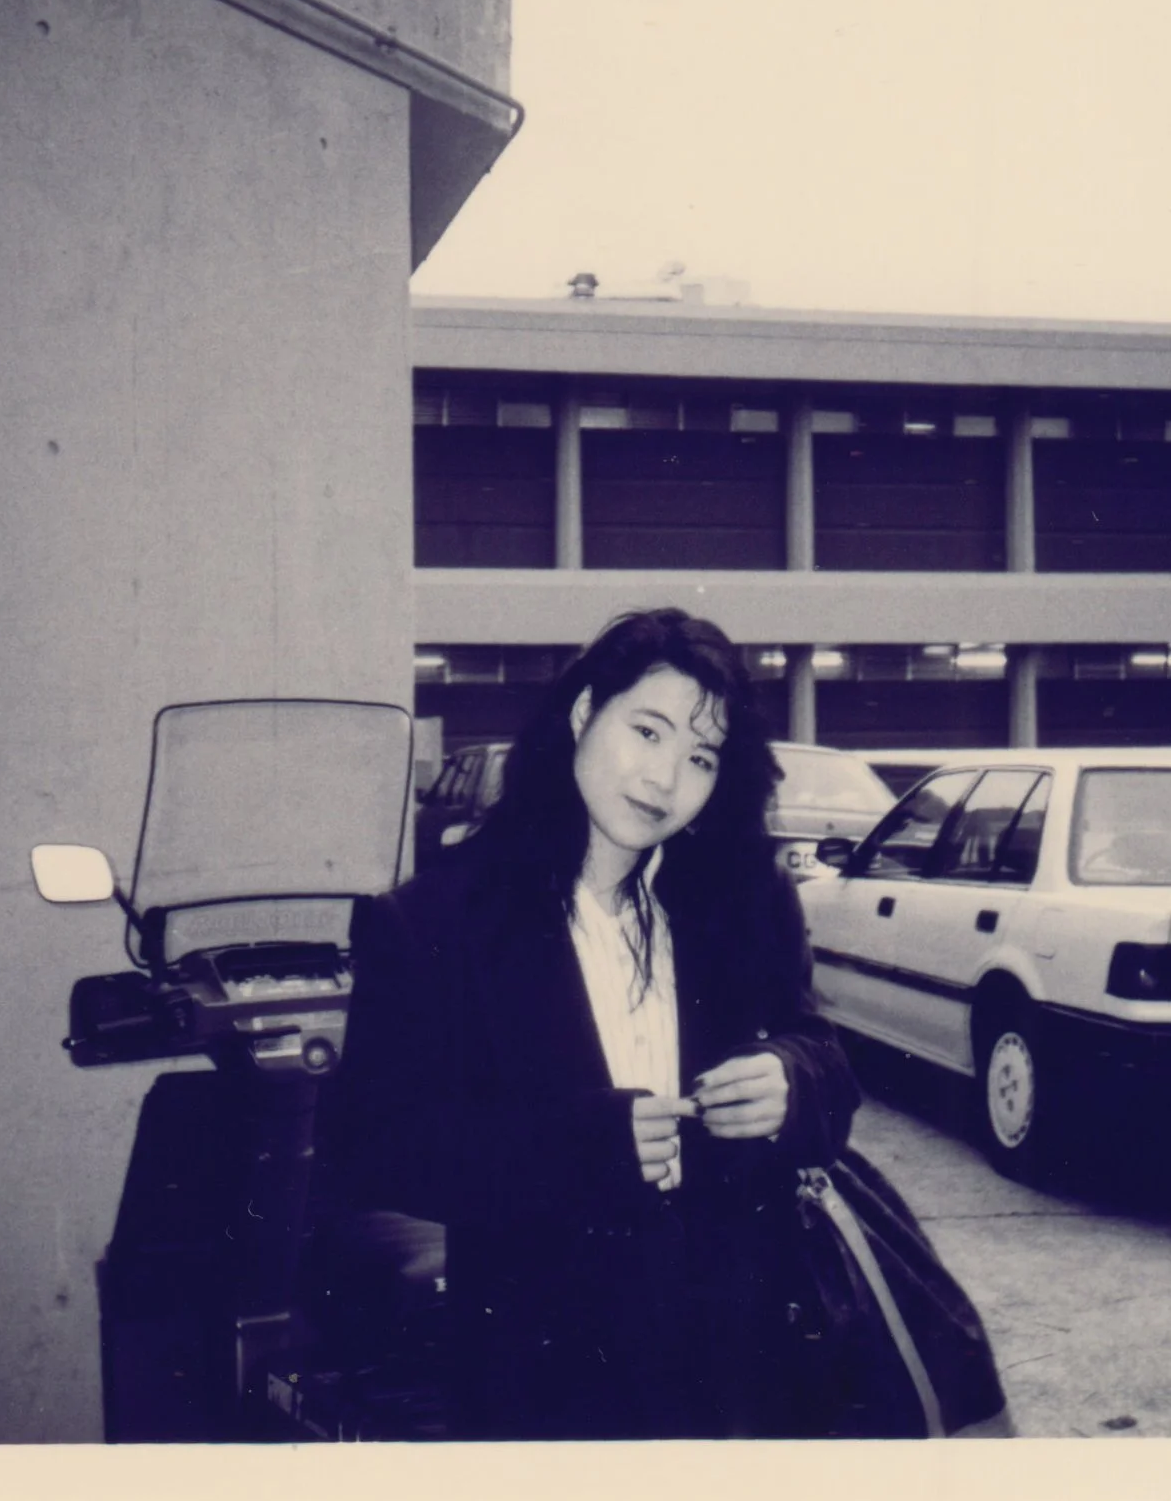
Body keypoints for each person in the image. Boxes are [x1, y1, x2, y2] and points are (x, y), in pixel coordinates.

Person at [332, 608, 860, 1439]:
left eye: (699, 757)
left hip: (735, 1364)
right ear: (583, 714)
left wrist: (791, 1079)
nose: (663, 779)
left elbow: (825, 1057)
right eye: (646, 732)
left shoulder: (744, 902)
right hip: (544, 1371)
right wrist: (580, 1146)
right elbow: (374, 1146)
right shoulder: (437, 919)